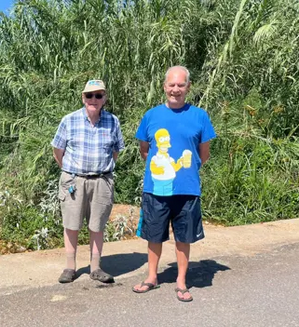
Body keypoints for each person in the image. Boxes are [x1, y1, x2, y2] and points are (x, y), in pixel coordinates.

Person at [132, 66, 216, 302]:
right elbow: (144, 151)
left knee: (184, 236)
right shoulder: (151, 115)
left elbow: (204, 154)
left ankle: (181, 281)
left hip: (187, 189)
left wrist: (182, 169)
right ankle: (151, 277)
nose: (175, 90)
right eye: (171, 85)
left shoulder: (200, 116)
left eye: (181, 85)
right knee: (154, 235)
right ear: (164, 86)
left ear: (188, 87)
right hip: (156, 189)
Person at [51, 79, 125, 284]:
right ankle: (70, 267)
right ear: (83, 98)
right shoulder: (69, 120)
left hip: (102, 180)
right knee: (71, 224)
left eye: (98, 95)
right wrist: (69, 170)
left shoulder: (113, 121)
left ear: (104, 98)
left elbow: (116, 151)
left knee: (97, 225)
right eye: (90, 95)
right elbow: (58, 150)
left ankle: (95, 267)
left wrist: (102, 169)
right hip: (74, 179)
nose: (94, 99)